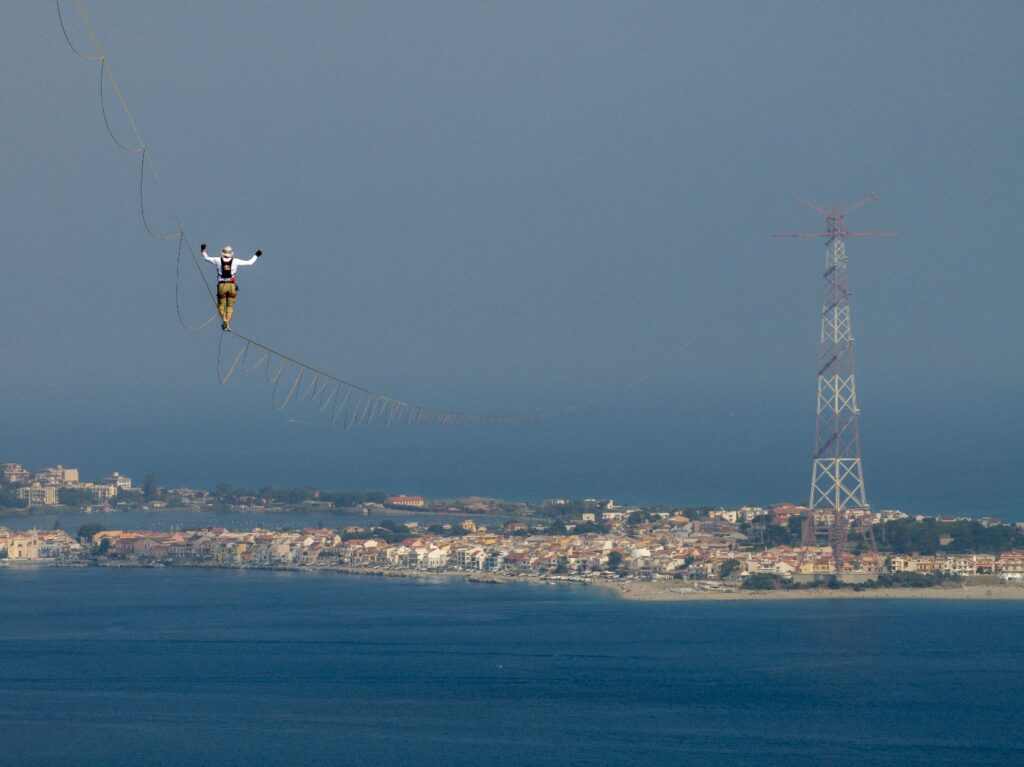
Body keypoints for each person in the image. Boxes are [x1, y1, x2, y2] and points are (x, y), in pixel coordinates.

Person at [201, 243, 262, 330]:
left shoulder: (217, 260)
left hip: (222, 285)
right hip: (232, 286)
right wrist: (256, 255)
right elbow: (249, 263)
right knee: (230, 307)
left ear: (223, 253)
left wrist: (203, 250)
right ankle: (226, 324)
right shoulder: (236, 261)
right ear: (231, 254)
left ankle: (224, 319)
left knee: (221, 306)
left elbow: (206, 258)